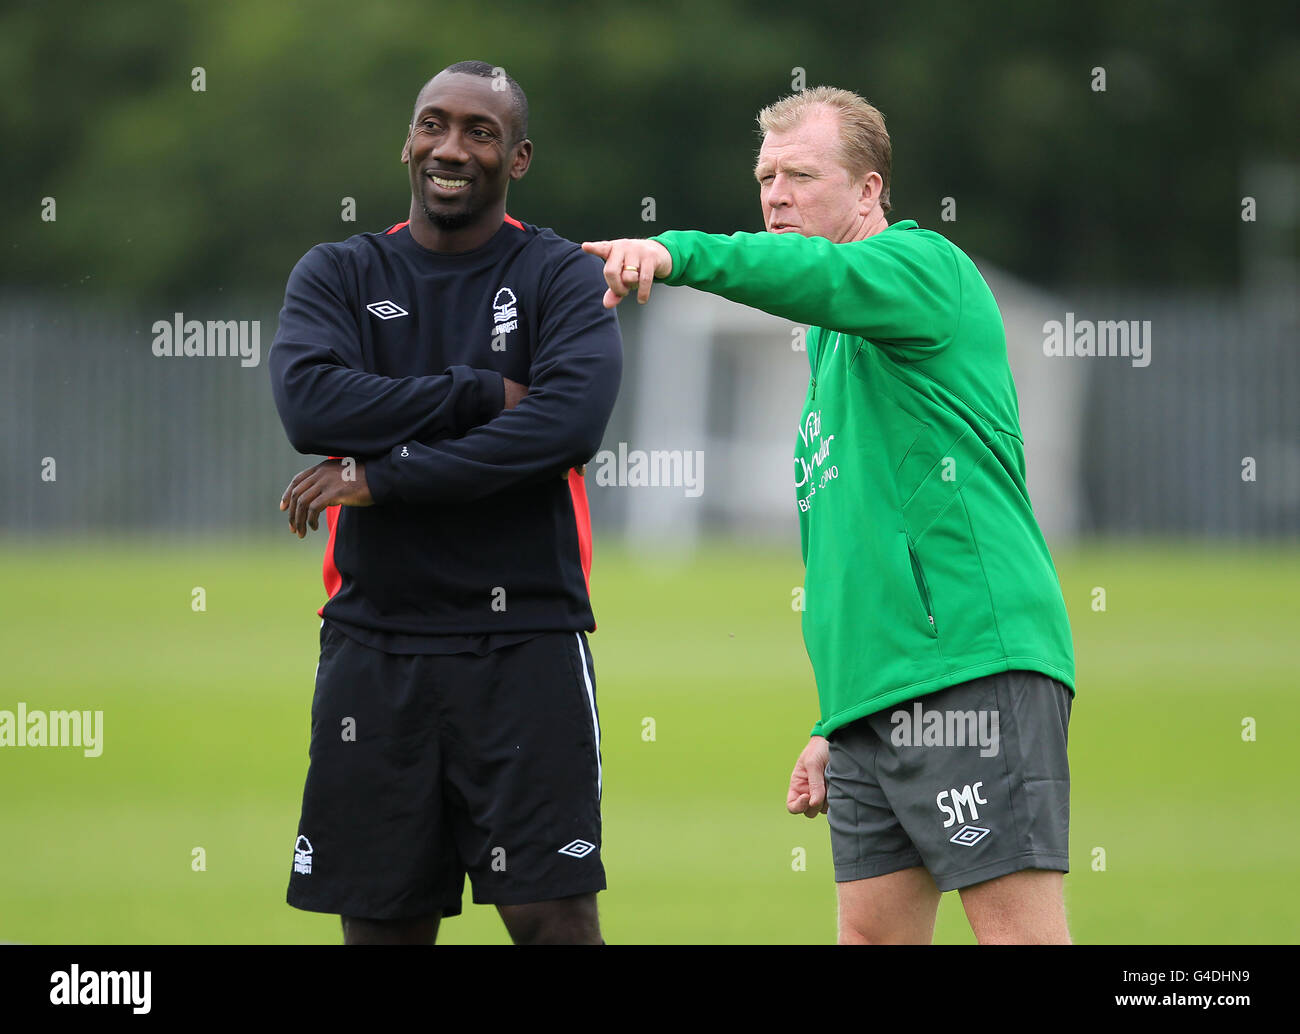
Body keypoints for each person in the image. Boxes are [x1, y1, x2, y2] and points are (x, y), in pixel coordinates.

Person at [582, 86, 1076, 945]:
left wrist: (674, 252)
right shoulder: (829, 339)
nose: (776, 194)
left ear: (870, 192)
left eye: (801, 175)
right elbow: (853, 546)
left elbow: (812, 275)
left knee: (1018, 938)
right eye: (766, 176)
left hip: (967, 667)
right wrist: (835, 717)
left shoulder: (925, 271)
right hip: (870, 701)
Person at [268, 60, 622, 945]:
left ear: (520, 157)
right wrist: (479, 393)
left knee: (552, 919)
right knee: (382, 926)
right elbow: (311, 406)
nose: (450, 148)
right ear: (408, 140)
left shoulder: (562, 277)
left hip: (527, 641)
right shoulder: (339, 272)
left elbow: (563, 430)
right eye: (434, 124)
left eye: (480, 132)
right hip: (374, 641)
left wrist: (383, 475)